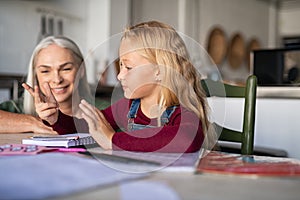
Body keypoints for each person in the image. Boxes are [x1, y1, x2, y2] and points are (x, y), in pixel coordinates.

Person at [78, 21, 215, 153]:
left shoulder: (180, 111)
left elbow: (186, 139)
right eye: (121, 65)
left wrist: (112, 140)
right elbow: (88, 126)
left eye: (129, 67)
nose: (119, 76)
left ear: (159, 72)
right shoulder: (128, 107)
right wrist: (57, 120)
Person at [0, 36, 107, 134]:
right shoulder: (18, 108)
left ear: (81, 69)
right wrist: (34, 123)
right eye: (45, 71)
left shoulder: (104, 110)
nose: (57, 79)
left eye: (66, 69)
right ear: (35, 74)